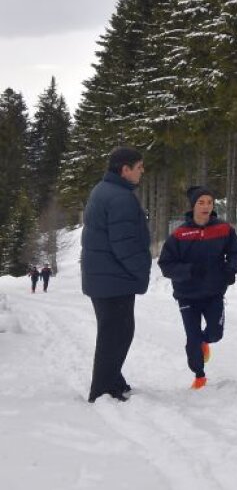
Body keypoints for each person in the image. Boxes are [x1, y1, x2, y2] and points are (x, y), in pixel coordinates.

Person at [81, 146, 151, 403]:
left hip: (105, 278)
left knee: (116, 331)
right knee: (116, 333)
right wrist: (140, 272)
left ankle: (112, 379)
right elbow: (125, 244)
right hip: (113, 280)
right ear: (125, 169)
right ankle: (102, 389)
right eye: (139, 166)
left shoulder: (105, 190)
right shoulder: (120, 197)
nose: (142, 171)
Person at [157, 186, 237, 390]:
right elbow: (166, 264)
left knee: (215, 334)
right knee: (192, 337)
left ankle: (206, 341)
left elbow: (236, 250)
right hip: (187, 295)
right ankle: (199, 375)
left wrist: (230, 269)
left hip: (214, 292)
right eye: (201, 202)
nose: (206, 206)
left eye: (209, 202)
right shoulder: (180, 234)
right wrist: (189, 271)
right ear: (193, 206)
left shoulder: (223, 229)